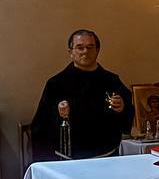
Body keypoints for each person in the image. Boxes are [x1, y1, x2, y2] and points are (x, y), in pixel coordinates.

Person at [31, 29, 134, 159]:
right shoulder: (56, 83)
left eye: (90, 47)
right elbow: (41, 125)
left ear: (97, 50)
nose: (85, 51)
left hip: (106, 156)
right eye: (80, 47)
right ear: (71, 52)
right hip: (67, 159)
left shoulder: (112, 81)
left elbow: (129, 118)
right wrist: (58, 115)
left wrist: (122, 108)